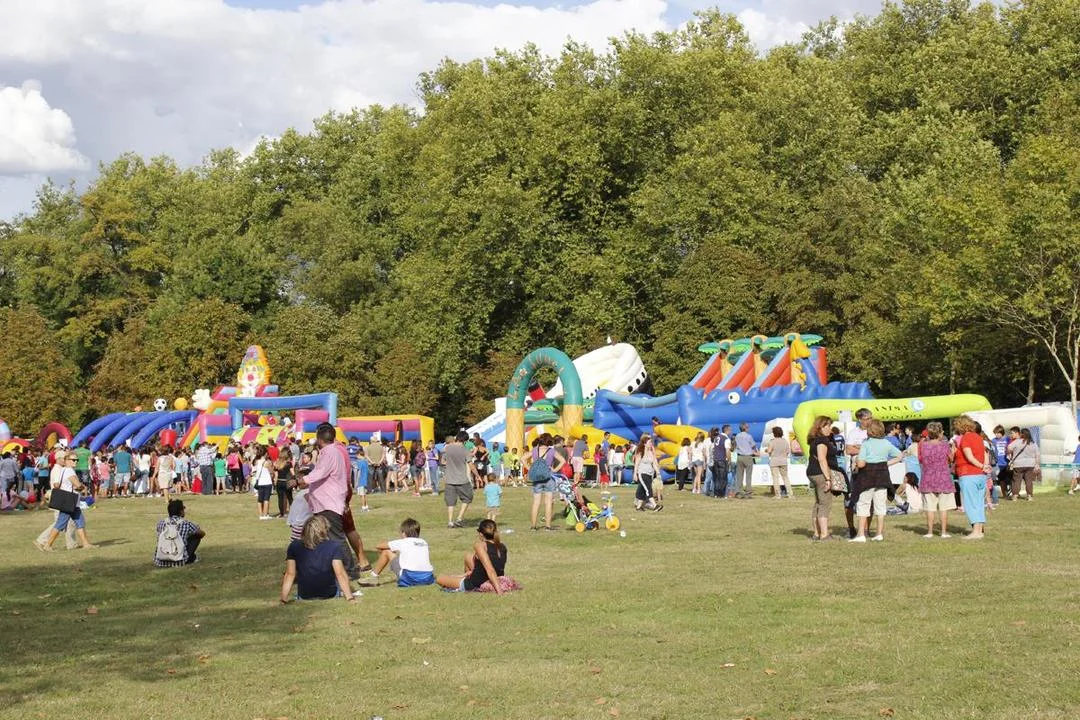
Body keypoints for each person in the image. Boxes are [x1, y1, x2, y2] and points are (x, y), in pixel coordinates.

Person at [297, 423, 367, 578]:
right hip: (326, 502)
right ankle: (326, 567)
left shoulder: (330, 452)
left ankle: (350, 570)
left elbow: (320, 472)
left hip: (329, 502)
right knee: (325, 537)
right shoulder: (334, 451)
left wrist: (301, 480)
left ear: (319, 439)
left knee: (336, 537)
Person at [280, 515, 357, 603]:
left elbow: (290, 574)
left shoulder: (294, 546)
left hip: (304, 595)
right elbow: (340, 574)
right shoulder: (334, 546)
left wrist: (283, 599)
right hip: (329, 594)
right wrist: (350, 598)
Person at [850, 419, 904, 543]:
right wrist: (886, 463)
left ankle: (861, 534)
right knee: (880, 506)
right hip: (882, 477)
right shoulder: (886, 443)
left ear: (869, 430)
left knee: (863, 505)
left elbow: (861, 464)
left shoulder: (866, 444)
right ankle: (879, 533)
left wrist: (856, 462)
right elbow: (900, 455)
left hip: (867, 477)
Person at [436, 519, 518, 594]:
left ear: (481, 534)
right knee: (468, 556)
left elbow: (490, 569)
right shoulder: (502, 546)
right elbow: (496, 565)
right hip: (494, 577)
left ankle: (465, 586)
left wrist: (499, 591)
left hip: (476, 583)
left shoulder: (480, 545)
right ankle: (466, 577)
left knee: (439, 578)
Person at [36, 451, 96, 550]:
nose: (75, 462)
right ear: (66, 460)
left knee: (80, 522)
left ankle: (86, 544)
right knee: (60, 524)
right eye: (73, 460)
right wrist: (82, 487)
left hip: (71, 502)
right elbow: (77, 485)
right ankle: (47, 544)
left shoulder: (62, 470)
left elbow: (56, 485)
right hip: (69, 502)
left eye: (76, 460)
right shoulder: (69, 471)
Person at [368, 518, 435, 587]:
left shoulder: (403, 542)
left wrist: (388, 551)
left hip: (410, 577)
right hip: (428, 577)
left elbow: (378, 546)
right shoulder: (424, 542)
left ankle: (373, 576)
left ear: (404, 532)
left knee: (386, 551)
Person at [953, 415, 989, 539]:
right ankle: (979, 531)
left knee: (971, 504)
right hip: (980, 475)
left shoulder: (965, 438)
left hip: (968, 474)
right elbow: (984, 454)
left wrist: (981, 466)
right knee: (979, 504)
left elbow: (969, 457)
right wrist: (984, 466)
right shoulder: (978, 437)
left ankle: (975, 532)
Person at [918, 421, 955, 538]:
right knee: (943, 508)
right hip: (943, 478)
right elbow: (951, 459)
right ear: (940, 432)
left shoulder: (923, 445)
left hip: (928, 478)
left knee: (930, 507)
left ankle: (929, 532)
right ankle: (943, 532)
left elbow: (921, 460)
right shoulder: (945, 445)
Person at [806, 415, 839, 542]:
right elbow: (822, 459)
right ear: (821, 427)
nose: (830, 429)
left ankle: (817, 533)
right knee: (825, 504)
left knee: (818, 503)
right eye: (828, 426)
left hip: (812, 472)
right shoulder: (822, 441)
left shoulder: (814, 440)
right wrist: (828, 479)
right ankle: (824, 535)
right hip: (820, 474)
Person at [843, 409, 873, 538]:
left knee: (869, 500)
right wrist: (864, 448)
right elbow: (848, 450)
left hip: (870, 470)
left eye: (871, 418)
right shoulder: (853, 433)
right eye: (867, 419)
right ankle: (851, 528)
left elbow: (874, 449)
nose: (869, 421)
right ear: (860, 419)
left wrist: (859, 447)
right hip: (856, 471)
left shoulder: (873, 432)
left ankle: (866, 529)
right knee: (850, 500)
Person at [154, 499, 205, 567]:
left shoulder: (161, 523)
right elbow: (202, 534)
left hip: (160, 560)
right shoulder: (186, 523)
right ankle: (191, 557)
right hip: (179, 561)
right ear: (181, 511)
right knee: (196, 537)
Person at [528, 434, 563, 531]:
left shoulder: (534, 450)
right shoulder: (552, 451)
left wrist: (530, 468)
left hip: (537, 479)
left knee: (536, 503)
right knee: (548, 503)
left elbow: (522, 459)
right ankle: (548, 526)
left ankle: (533, 526)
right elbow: (563, 461)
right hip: (549, 478)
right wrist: (555, 470)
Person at [442, 431, 474, 529]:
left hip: (449, 479)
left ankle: (450, 521)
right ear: (465, 440)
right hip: (462, 479)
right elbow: (471, 465)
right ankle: (459, 518)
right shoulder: (465, 450)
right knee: (468, 497)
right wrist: (477, 476)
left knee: (450, 501)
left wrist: (450, 464)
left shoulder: (447, 448)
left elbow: (443, 461)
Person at [1006, 427, 1040, 502]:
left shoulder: (1017, 441)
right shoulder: (1032, 443)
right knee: (1028, 481)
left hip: (1018, 464)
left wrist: (1010, 453)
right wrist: (1037, 464)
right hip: (1030, 464)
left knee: (1016, 480)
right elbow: (1037, 454)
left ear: (1022, 434)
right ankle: (1029, 496)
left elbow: (1009, 448)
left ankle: (1015, 496)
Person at [632, 434, 662, 511]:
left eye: (651, 442)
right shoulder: (640, 452)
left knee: (642, 490)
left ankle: (639, 507)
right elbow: (636, 464)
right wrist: (635, 474)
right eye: (649, 442)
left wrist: (658, 472)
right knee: (648, 489)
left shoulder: (651, 452)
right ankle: (655, 506)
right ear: (645, 443)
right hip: (642, 473)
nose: (651, 444)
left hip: (650, 474)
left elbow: (654, 463)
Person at [765, 426, 793, 499]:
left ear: (774, 433)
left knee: (775, 478)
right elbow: (788, 452)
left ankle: (778, 494)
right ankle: (790, 494)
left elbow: (769, 451)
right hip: (783, 461)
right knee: (785, 477)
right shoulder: (785, 441)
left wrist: (766, 450)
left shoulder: (772, 441)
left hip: (774, 461)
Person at [733, 423, 758, 498]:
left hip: (739, 456)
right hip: (747, 457)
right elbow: (753, 445)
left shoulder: (737, 436)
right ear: (746, 428)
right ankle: (748, 492)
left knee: (739, 475)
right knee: (748, 475)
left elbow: (735, 445)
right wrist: (754, 451)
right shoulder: (748, 436)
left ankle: (738, 492)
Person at [251, 445, 274, 519]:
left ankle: (261, 515)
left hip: (260, 482)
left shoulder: (257, 462)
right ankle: (265, 514)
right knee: (266, 499)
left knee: (260, 499)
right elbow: (271, 472)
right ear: (266, 453)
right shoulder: (267, 462)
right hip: (267, 482)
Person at [712, 426, 731, 498]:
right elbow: (727, 451)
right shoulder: (726, 439)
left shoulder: (717, 437)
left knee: (717, 477)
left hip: (716, 459)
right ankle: (721, 494)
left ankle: (716, 493)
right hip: (722, 460)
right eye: (730, 430)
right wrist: (729, 460)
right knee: (723, 478)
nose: (730, 432)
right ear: (727, 430)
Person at [273, 451, 294, 518]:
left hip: (279, 482)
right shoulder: (289, 464)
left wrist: (275, 483)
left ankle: (282, 514)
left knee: (280, 499)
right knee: (290, 498)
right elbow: (293, 473)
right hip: (287, 482)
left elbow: (276, 475)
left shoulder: (277, 464)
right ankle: (293, 512)